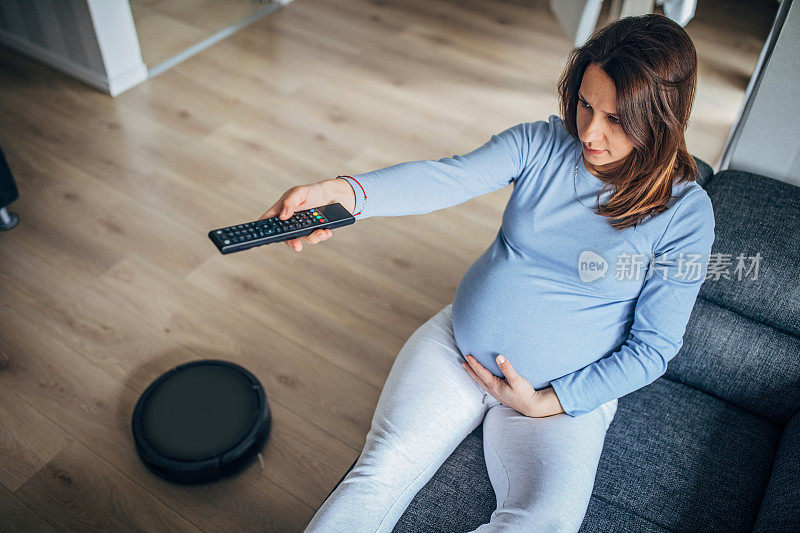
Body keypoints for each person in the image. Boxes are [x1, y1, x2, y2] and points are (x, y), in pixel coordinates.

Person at [260, 14, 715, 533]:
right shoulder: (542, 143)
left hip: (558, 398)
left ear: (660, 120)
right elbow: (444, 179)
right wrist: (337, 193)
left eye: (616, 119)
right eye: (586, 104)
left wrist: (549, 401)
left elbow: (653, 347)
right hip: (458, 349)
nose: (589, 131)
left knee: (546, 522)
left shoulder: (685, 215)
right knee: (379, 473)